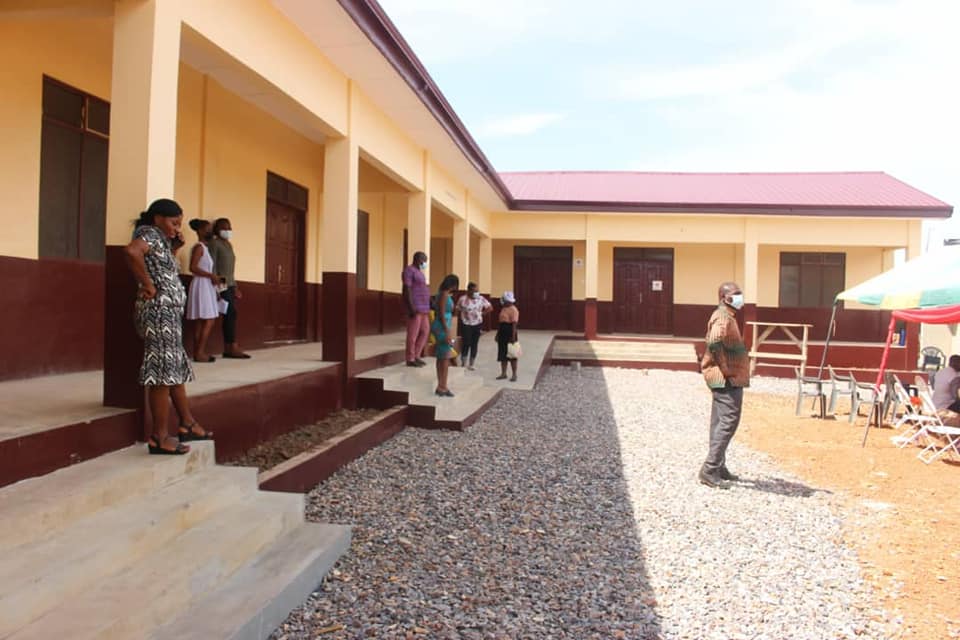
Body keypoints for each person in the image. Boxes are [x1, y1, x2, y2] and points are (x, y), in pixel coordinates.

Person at [124, 199, 212, 455]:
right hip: (158, 313)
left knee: (173, 367)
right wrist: (148, 285)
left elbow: (162, 268)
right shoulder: (148, 233)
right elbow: (132, 252)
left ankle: (186, 423)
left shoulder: (161, 240)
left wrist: (175, 247)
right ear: (158, 218)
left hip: (169, 313)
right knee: (163, 372)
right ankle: (159, 437)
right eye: (173, 223)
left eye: (179, 224)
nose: (176, 228)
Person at [699, 281, 750, 489]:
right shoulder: (722, 317)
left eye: (740, 294)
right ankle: (710, 469)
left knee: (719, 422)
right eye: (736, 294)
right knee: (728, 421)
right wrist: (726, 368)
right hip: (726, 378)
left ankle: (718, 465)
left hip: (726, 377)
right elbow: (714, 342)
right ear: (724, 297)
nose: (740, 298)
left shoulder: (727, 315)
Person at [208, 217, 251, 359]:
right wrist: (217, 288)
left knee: (231, 315)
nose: (227, 231)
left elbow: (231, 269)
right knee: (230, 313)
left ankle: (230, 346)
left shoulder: (228, 245)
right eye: (224, 228)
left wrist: (236, 287)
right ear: (217, 230)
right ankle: (231, 346)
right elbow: (212, 266)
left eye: (229, 228)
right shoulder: (214, 244)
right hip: (221, 283)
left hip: (231, 284)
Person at [185, 219, 222, 363]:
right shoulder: (199, 247)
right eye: (207, 229)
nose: (210, 231)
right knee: (208, 319)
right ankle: (199, 352)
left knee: (202, 320)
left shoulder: (205, 248)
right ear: (200, 231)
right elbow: (192, 267)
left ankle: (198, 352)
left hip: (207, 285)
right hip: (201, 284)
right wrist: (210, 275)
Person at [431, 274, 460, 397]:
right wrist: (447, 330)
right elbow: (441, 313)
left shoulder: (443, 293)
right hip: (442, 326)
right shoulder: (443, 294)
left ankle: (441, 385)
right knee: (445, 356)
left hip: (443, 326)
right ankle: (443, 386)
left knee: (441, 356)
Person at [455, 282, 493, 370]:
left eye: (477, 290)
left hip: (477, 324)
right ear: (468, 290)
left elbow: (490, 307)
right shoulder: (462, 299)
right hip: (466, 324)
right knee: (466, 342)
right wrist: (454, 320)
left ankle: (472, 364)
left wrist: (483, 313)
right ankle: (463, 362)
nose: (476, 292)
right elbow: (457, 310)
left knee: (474, 343)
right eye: (474, 291)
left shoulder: (481, 298)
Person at [402, 251, 431, 367]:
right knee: (412, 334)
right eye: (424, 260)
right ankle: (410, 358)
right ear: (418, 259)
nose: (425, 263)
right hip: (415, 307)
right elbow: (407, 289)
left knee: (425, 331)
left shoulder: (420, 272)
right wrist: (410, 306)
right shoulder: (409, 270)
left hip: (424, 308)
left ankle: (417, 355)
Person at [495, 291, 519, 382]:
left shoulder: (514, 309)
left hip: (510, 333)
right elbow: (500, 323)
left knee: (512, 355)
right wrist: (497, 334)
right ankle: (503, 373)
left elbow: (514, 324)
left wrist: (513, 337)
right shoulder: (503, 308)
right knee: (502, 354)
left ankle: (514, 375)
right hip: (502, 332)